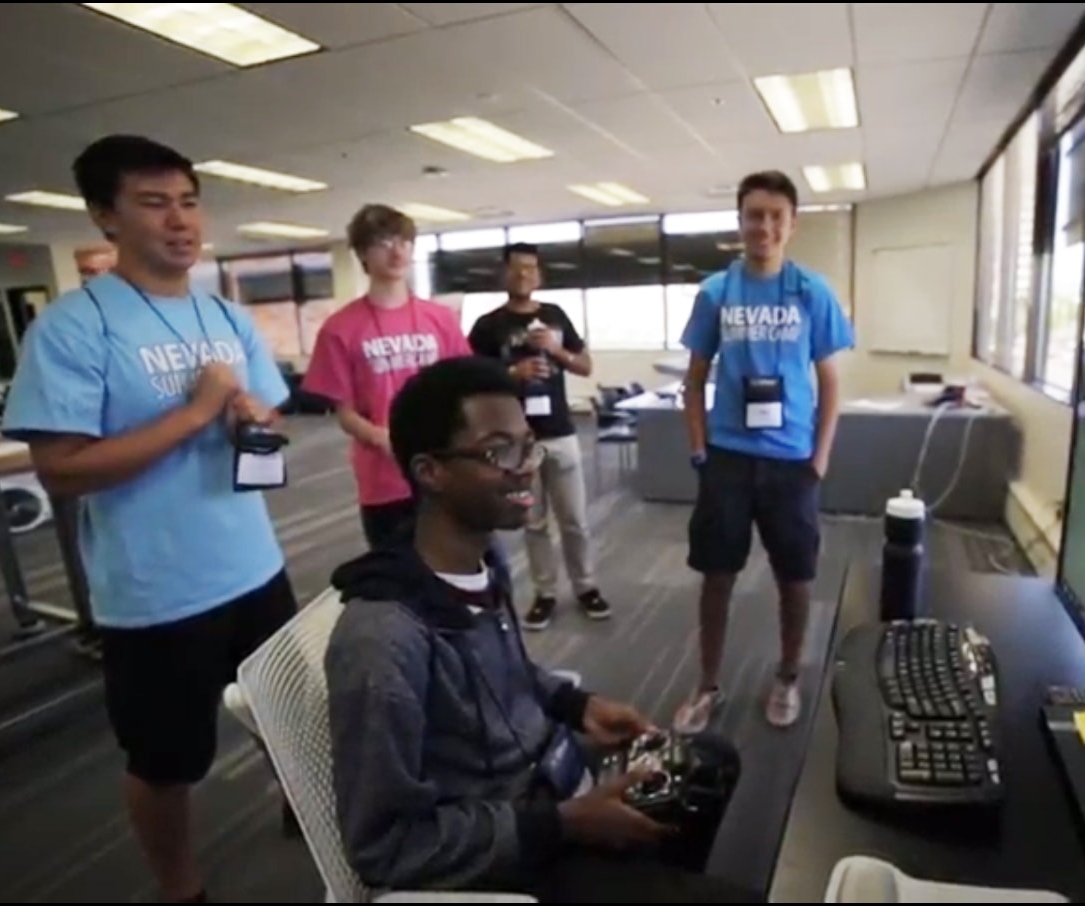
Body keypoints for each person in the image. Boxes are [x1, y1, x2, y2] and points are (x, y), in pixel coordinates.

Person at [324, 356, 762, 902]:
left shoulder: (482, 566)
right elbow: (385, 847)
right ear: (429, 471)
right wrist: (563, 825)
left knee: (711, 761)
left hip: (551, 786)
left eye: (527, 444)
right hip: (508, 854)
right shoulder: (383, 641)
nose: (526, 465)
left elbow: (509, 672)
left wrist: (577, 705)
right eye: (498, 451)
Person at [1, 135, 298, 903]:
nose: (180, 220)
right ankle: (180, 888)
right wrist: (196, 409)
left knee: (288, 710)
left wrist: (245, 417)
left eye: (189, 201)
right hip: (156, 592)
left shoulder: (224, 315)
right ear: (106, 217)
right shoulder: (72, 328)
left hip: (255, 565)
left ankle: (303, 804)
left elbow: (270, 413)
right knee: (167, 761)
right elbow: (61, 470)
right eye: (154, 202)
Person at [672, 170, 855, 734]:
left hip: (791, 463)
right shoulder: (715, 293)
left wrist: (818, 461)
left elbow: (829, 383)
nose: (765, 226)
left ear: (792, 225)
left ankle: (787, 676)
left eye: (777, 216)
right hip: (726, 458)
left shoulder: (811, 292)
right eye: (755, 215)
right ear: (740, 222)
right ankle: (707, 685)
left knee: (795, 577)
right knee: (717, 575)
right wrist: (700, 449)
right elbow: (695, 378)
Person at [303, 203, 470, 548]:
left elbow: (462, 386)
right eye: (383, 242)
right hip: (385, 479)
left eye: (403, 241)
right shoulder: (340, 328)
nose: (396, 251)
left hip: (447, 469)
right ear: (363, 253)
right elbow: (345, 413)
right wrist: (389, 440)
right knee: (400, 580)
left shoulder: (440, 318)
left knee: (465, 572)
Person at [467, 242, 611, 628]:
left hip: (560, 433)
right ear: (503, 274)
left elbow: (584, 365)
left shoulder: (554, 316)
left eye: (531, 269)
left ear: (539, 274)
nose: (524, 275)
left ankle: (586, 587)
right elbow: (471, 380)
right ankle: (545, 593)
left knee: (575, 520)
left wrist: (557, 351)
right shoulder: (487, 325)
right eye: (516, 269)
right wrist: (512, 375)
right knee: (533, 523)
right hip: (516, 440)